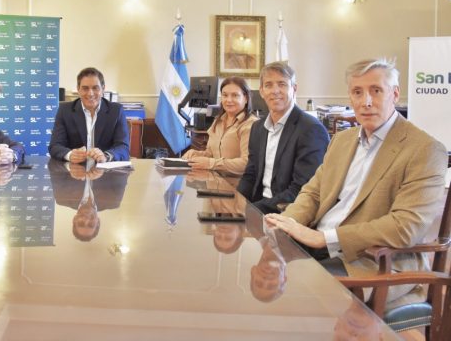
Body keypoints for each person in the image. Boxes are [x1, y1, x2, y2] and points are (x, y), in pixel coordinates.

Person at [265, 58, 448, 305]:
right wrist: (289, 223)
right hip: (318, 246)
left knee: (297, 295)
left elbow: (406, 227)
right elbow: (313, 193)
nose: (366, 101)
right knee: (265, 273)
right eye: (357, 92)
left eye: (376, 90)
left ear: (395, 94)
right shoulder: (342, 140)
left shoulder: (425, 149)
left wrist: (325, 238)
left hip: (374, 261)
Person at [237, 61, 329, 213]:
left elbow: (302, 190)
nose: (275, 91)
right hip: (259, 206)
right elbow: (250, 176)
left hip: (286, 212)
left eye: (282, 84)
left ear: (294, 89)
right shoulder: (258, 128)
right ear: (261, 91)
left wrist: (252, 210)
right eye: (268, 85)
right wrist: (236, 203)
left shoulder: (311, 129)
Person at [48, 67, 129, 163]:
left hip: (104, 168)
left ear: (103, 89)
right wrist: (70, 155)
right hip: (75, 168)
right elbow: (55, 146)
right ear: (78, 89)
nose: (90, 93)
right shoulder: (65, 110)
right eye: (85, 88)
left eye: (95, 88)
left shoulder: (116, 111)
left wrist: (106, 156)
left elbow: (123, 147)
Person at [182, 76, 258, 175]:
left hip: (237, 182)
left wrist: (211, 163)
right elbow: (211, 154)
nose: (228, 100)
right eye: (225, 95)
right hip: (214, 180)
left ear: (246, 98)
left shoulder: (251, 124)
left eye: (235, 95)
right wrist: (196, 154)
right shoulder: (217, 121)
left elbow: (247, 163)